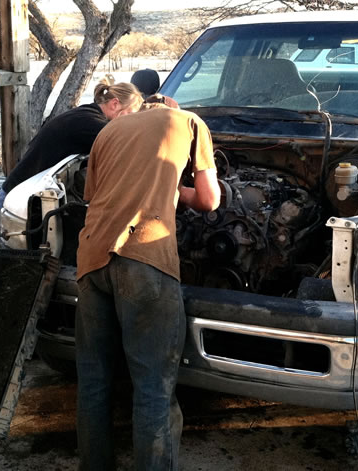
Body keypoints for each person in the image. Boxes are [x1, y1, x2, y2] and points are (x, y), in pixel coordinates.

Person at [74, 102, 221, 470]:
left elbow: (93, 196)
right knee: (153, 387)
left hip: (91, 258)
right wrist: (177, 190)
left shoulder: (108, 131)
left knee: (93, 381)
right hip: (145, 257)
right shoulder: (188, 121)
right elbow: (209, 199)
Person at [0, 81, 143, 211]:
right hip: (16, 201)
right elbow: (126, 148)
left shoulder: (88, 113)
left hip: (23, 194)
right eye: (129, 114)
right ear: (115, 104)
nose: (129, 122)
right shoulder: (92, 124)